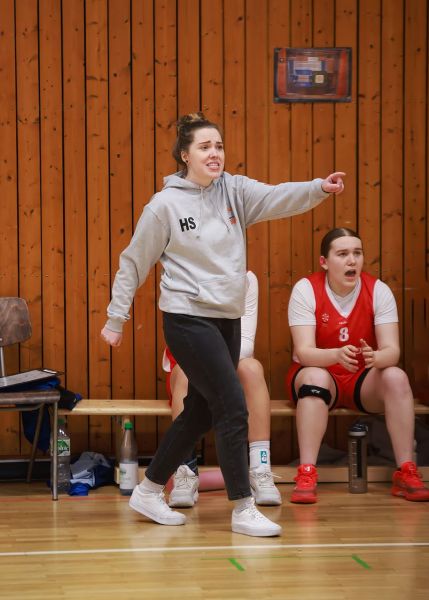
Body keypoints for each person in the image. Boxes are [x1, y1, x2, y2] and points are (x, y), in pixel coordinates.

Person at [101, 111, 345, 537]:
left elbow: (276, 196)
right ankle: (243, 506)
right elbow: (134, 262)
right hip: (187, 318)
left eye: (218, 146)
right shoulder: (164, 206)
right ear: (185, 155)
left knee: (199, 412)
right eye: (204, 147)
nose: (215, 153)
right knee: (232, 405)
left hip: (227, 319)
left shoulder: (234, 190)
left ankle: (149, 488)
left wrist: (317, 189)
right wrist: (115, 318)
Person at [285, 227, 429, 504]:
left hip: (362, 380)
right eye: (342, 254)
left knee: (396, 376)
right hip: (319, 373)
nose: (352, 260)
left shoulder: (378, 290)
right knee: (314, 377)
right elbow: (304, 353)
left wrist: (377, 358)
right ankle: (307, 472)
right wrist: (335, 355)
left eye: (357, 253)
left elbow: (392, 351)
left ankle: (406, 471)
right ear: (324, 262)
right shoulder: (306, 289)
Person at [164, 271, 281, 508]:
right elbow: (183, 339)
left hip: (232, 360)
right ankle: (185, 471)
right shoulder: (184, 271)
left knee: (252, 369)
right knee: (187, 373)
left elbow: (245, 344)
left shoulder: (246, 278)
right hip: (189, 360)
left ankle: (260, 468)